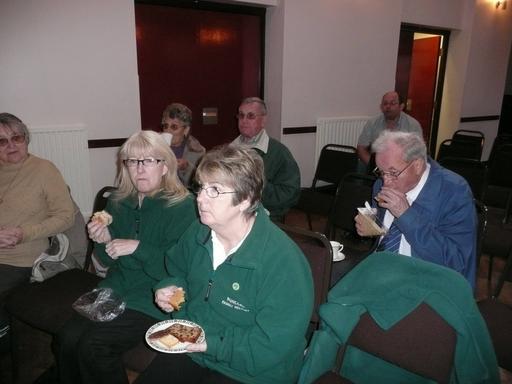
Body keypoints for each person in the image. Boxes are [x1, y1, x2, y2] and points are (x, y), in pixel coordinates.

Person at [135, 145, 314, 384]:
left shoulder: (283, 263)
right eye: (201, 188)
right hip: (194, 349)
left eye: (215, 190)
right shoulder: (199, 231)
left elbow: (270, 347)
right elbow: (177, 270)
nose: (199, 198)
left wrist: (209, 344)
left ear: (246, 199)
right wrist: (170, 288)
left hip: (252, 371)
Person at [53, 130, 197, 384]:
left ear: (165, 166)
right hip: (115, 288)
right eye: (132, 161)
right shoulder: (119, 202)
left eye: (149, 160)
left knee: (93, 346)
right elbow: (105, 264)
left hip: (154, 299)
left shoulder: (184, 206)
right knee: (66, 338)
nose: (139, 169)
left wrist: (137, 247)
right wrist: (103, 240)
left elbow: (179, 271)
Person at [355, 131, 477, 288]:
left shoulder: (454, 191)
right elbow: (382, 231)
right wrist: (371, 226)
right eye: (380, 171)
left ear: (418, 165)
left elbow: (456, 262)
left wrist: (407, 216)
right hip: (383, 271)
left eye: (393, 173)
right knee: (333, 302)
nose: (385, 182)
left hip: (431, 284)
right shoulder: (381, 184)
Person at [0, 112, 75, 352]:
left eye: (17, 138)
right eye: (2, 141)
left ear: (26, 139)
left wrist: (24, 233)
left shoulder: (44, 170)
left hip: (21, 259)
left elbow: (66, 216)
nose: (11, 145)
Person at [232, 97, 300, 221]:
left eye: (251, 116)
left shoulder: (279, 152)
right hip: (231, 212)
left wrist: (256, 187)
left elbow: (290, 194)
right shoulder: (229, 150)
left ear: (263, 121)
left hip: (263, 216)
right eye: (241, 116)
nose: (244, 120)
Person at [357, 91, 422, 167]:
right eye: (385, 103)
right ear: (381, 107)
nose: (388, 106)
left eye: (392, 103)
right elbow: (361, 148)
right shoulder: (372, 123)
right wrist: (374, 166)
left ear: (401, 106)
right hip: (376, 165)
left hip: (402, 167)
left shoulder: (412, 125)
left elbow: (417, 153)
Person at [161, 102, 205, 188]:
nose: (168, 131)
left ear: (186, 130)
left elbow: (198, 184)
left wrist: (186, 168)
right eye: (166, 126)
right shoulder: (153, 145)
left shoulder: (197, 151)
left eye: (174, 127)